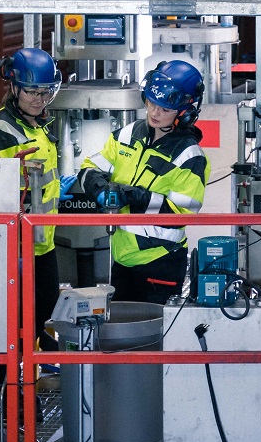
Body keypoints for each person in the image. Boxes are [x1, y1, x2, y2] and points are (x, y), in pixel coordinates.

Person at [73, 59, 208, 304]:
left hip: (160, 263)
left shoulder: (189, 156)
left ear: (185, 113)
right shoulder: (127, 134)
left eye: (166, 109)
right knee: (122, 333)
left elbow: (181, 213)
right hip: (122, 258)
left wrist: (134, 195)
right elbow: (89, 168)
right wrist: (101, 189)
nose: (155, 113)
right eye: (152, 103)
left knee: (154, 336)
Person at [0, 47, 63, 347]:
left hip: (43, 242)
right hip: (16, 245)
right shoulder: (1, 130)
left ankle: (25, 382)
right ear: (14, 87)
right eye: (30, 91)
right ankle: (6, 387)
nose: (38, 99)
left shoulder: (40, 124)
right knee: (16, 324)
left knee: (43, 313)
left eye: (45, 92)